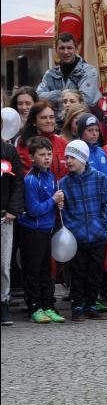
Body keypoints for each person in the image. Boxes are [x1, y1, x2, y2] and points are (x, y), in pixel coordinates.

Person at [59, 139, 107, 321]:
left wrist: (103, 224)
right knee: (77, 272)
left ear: (83, 158)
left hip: (97, 235)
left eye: (73, 157)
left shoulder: (99, 178)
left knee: (95, 272)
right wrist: (71, 227)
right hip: (76, 237)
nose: (68, 161)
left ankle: (91, 304)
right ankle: (77, 306)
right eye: (67, 157)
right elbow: (63, 210)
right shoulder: (63, 183)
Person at [17, 137, 66, 323]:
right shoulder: (31, 180)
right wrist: (53, 201)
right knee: (33, 270)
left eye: (49, 154)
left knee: (46, 270)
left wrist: (57, 206)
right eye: (41, 155)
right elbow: (34, 209)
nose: (46, 158)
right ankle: (35, 307)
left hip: (47, 229)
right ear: (31, 157)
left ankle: (48, 305)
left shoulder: (50, 176)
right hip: (32, 231)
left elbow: (49, 204)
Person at [37, 33, 101, 116]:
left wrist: (55, 98)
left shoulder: (89, 71)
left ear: (76, 49)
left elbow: (86, 100)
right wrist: (62, 94)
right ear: (56, 50)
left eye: (69, 48)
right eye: (62, 48)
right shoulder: (50, 74)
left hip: (80, 121)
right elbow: (38, 96)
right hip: (56, 124)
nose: (66, 52)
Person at [0, 134, 25, 326]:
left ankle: (3, 303)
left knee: (3, 264)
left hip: (4, 218)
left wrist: (12, 209)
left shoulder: (8, 151)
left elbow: (18, 182)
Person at [17, 100, 68, 180]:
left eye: (51, 117)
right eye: (44, 118)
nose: (49, 121)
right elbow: (25, 175)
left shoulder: (63, 143)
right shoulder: (25, 145)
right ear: (34, 121)